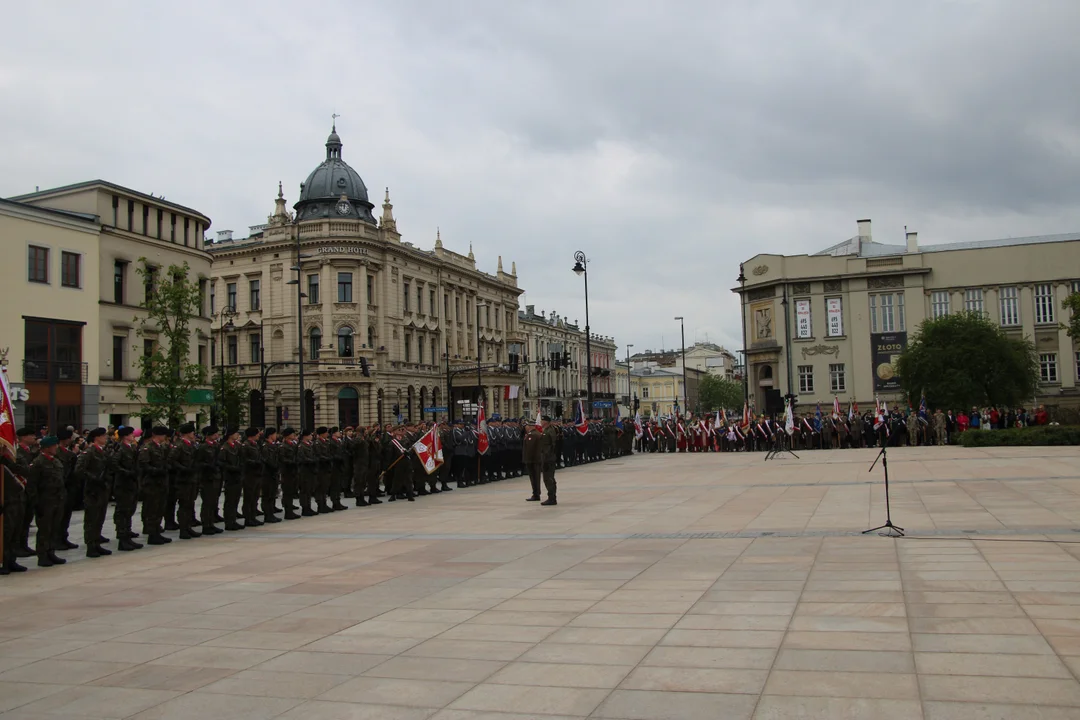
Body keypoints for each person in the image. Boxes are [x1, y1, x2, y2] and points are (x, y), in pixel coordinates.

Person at [74, 427, 112, 557]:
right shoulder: (89, 452)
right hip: (92, 490)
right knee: (92, 518)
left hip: (102, 489)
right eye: (103, 436)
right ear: (97, 438)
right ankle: (91, 546)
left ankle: (97, 543)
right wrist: (94, 478)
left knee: (99, 517)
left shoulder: (103, 451)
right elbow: (79, 470)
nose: (106, 438)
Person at [31, 435, 67, 567]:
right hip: (45, 501)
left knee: (54, 528)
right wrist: (36, 503)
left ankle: (51, 552)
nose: (56, 448)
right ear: (46, 448)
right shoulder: (38, 463)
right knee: (44, 530)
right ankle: (42, 555)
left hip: (58, 499)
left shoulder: (56, 461)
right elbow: (32, 485)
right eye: (53, 446)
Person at [139, 427, 173, 545]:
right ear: (157, 435)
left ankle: (157, 532)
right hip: (152, 483)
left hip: (161, 482)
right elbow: (144, 465)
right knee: (152, 509)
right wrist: (156, 471)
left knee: (160, 508)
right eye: (163, 435)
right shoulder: (147, 448)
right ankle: (152, 534)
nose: (164, 437)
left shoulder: (161, 447)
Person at [111, 426, 143, 550]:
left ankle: (127, 535)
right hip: (123, 484)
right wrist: (126, 472)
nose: (133, 436)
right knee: (123, 511)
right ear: (125, 436)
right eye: (130, 434)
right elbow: (114, 463)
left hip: (131, 483)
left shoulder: (132, 448)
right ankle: (122, 538)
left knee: (129, 509)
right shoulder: (120, 448)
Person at [170, 423, 201, 539]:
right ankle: (183, 529)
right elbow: (172, 461)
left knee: (189, 504)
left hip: (191, 478)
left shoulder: (191, 445)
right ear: (187, 433)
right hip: (183, 479)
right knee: (184, 505)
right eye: (192, 432)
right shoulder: (179, 445)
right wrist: (183, 469)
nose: (194, 434)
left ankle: (188, 527)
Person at [540, 415, 558, 506]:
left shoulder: (550, 431)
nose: (541, 422)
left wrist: (548, 457)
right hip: (546, 457)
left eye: (542, 421)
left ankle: (552, 498)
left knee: (549, 478)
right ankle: (551, 497)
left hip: (549, 458)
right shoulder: (546, 430)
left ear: (546, 422)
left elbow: (552, 445)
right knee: (547, 478)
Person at [523, 419, 542, 502]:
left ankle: (536, 494)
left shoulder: (532, 435)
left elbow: (530, 449)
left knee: (534, 477)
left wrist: (527, 460)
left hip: (532, 460)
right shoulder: (538, 433)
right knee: (536, 477)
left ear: (530, 426)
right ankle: (536, 493)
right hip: (537, 459)